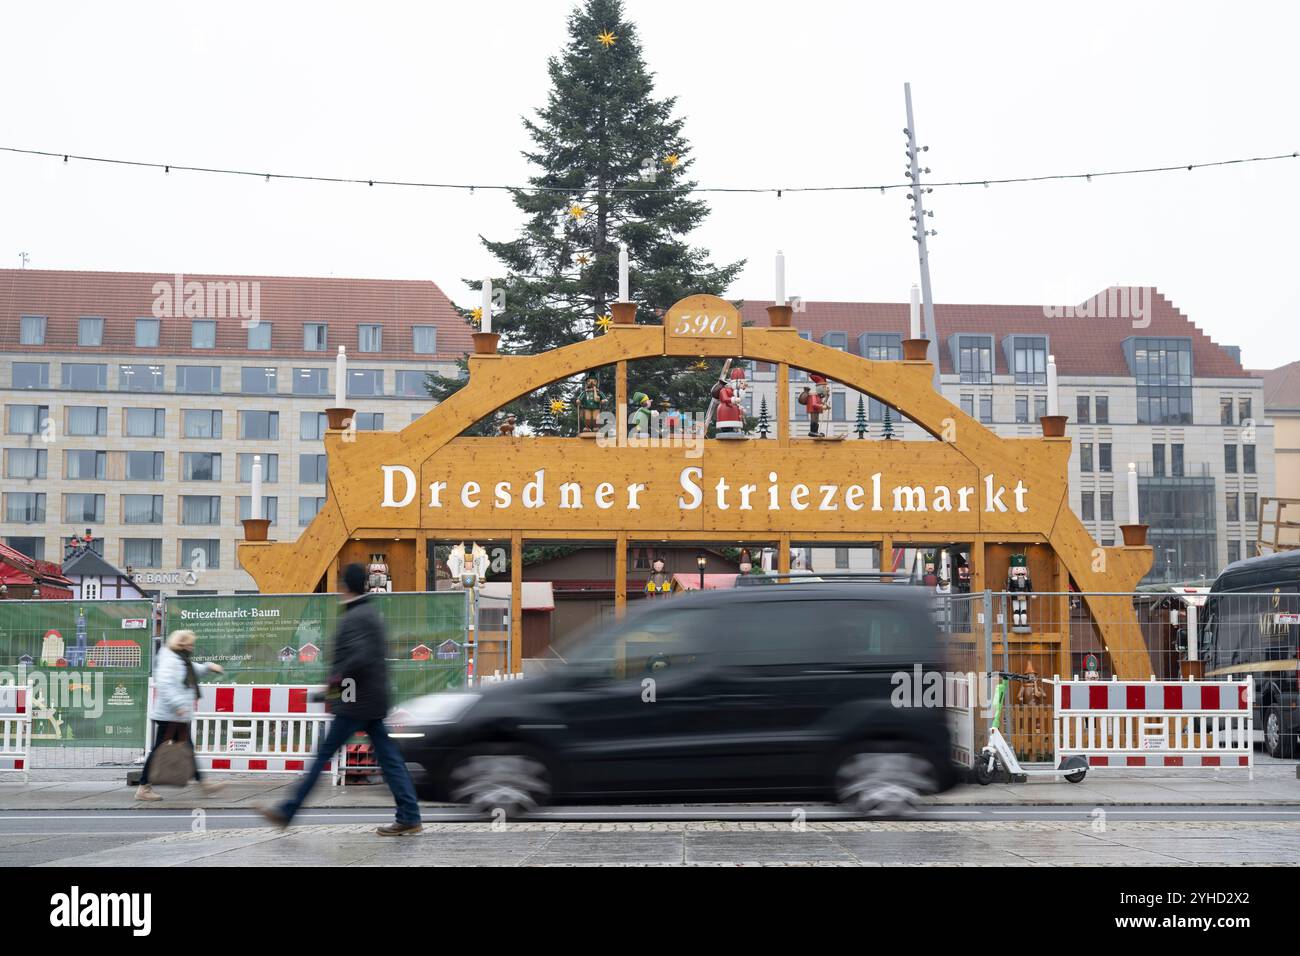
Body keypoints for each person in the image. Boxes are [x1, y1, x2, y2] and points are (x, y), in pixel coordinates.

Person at [259, 563, 422, 836]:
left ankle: (287, 811)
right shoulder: (371, 614)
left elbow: (355, 661)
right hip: (370, 700)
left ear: (344, 586)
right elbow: (365, 660)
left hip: (354, 702)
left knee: (323, 754)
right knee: (390, 760)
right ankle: (409, 816)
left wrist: (331, 689)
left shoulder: (355, 617)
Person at [135, 629, 224, 801]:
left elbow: (191, 670)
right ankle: (143, 788)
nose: (191, 647)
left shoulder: (179, 659)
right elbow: (165, 684)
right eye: (189, 644)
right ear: (181, 643)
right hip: (171, 715)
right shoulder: (170, 660)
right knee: (159, 751)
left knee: (187, 749)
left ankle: (204, 784)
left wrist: (208, 667)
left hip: (177, 715)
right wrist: (178, 705)